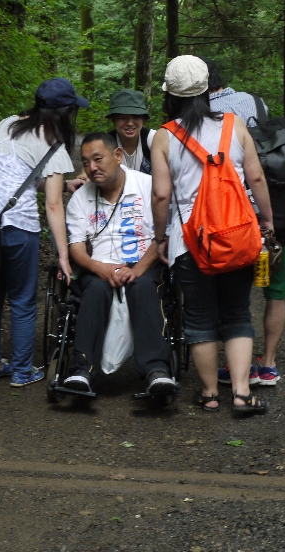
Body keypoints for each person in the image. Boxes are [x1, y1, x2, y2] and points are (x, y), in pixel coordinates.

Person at [151, 55, 273, 413]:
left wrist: (161, 239)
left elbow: (161, 195)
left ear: (170, 95)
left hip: (190, 242)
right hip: (237, 235)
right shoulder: (234, 126)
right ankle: (240, 393)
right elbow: (256, 178)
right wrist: (267, 221)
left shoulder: (164, 136)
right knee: (237, 313)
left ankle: (208, 394)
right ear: (207, 90)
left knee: (200, 317)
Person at [0, 77, 87, 387]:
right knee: (22, 299)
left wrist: (65, 184)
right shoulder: (54, 143)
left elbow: (16, 174)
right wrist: (63, 255)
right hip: (16, 225)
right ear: (64, 113)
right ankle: (21, 370)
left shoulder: (7, 124)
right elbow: (53, 206)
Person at [201, 57, 285, 388]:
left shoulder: (203, 114)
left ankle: (236, 367)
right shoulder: (255, 101)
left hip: (238, 218)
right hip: (278, 207)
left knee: (235, 297)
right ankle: (268, 364)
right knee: (278, 290)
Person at [63, 132, 176, 395]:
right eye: (86, 162)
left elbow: (165, 235)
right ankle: (81, 371)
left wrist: (136, 269)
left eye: (98, 159)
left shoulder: (148, 186)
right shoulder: (81, 198)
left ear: (117, 155)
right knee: (93, 289)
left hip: (144, 262)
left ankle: (156, 371)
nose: (92, 168)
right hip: (100, 266)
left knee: (144, 287)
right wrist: (100, 268)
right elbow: (76, 248)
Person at [106, 89, 156, 174]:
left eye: (136, 117)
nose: (130, 123)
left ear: (143, 119)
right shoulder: (106, 142)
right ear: (113, 119)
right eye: (123, 118)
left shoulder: (153, 138)